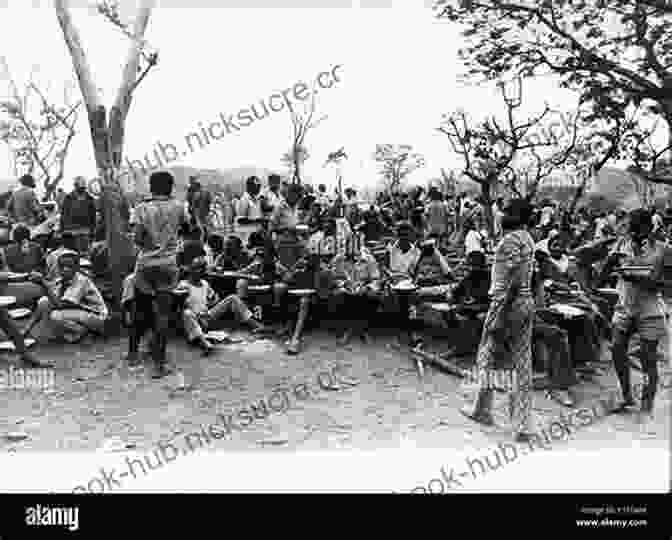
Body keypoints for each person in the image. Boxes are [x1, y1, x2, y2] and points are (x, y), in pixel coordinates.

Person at [460, 198, 538, 442]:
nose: (500, 215)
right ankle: (520, 423)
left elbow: (513, 282)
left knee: (488, 357)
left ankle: (486, 411)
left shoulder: (510, 241)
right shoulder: (527, 238)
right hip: (524, 303)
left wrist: (500, 317)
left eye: (505, 211)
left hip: (507, 304)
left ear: (513, 215)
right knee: (521, 364)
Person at [610, 209, 666, 427]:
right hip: (624, 307)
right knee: (616, 349)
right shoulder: (621, 245)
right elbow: (606, 271)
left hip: (649, 310)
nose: (634, 232)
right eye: (631, 227)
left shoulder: (662, 250)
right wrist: (610, 263)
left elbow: (665, 284)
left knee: (647, 358)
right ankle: (626, 395)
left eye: (638, 227)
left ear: (649, 228)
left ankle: (646, 405)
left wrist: (640, 278)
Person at [130, 171, 189, 377]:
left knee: (139, 309)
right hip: (168, 263)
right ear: (171, 187)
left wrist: (150, 243)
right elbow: (188, 228)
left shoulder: (142, 208)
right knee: (163, 315)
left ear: (151, 187)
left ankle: (132, 353)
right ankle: (159, 364)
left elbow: (137, 238)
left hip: (145, 263)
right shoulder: (179, 207)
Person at [179, 257, 266, 355]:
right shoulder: (184, 285)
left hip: (207, 317)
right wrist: (197, 313)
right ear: (191, 270)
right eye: (196, 268)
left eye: (201, 269)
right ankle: (205, 343)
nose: (199, 271)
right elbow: (181, 306)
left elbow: (214, 299)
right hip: (194, 319)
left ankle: (256, 325)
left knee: (232, 298)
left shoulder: (204, 283)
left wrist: (212, 301)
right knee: (187, 313)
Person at [23, 251, 108, 344]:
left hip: (96, 316)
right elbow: (50, 297)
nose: (65, 269)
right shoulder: (61, 280)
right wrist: (39, 281)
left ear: (77, 268)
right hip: (79, 312)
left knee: (55, 315)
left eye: (69, 267)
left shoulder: (81, 281)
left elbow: (60, 305)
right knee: (44, 301)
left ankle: (84, 332)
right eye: (62, 267)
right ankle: (26, 330)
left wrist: (43, 284)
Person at [59, 176, 97, 254]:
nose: (81, 190)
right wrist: (62, 230)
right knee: (72, 254)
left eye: (82, 188)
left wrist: (93, 230)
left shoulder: (89, 199)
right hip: (70, 232)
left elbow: (93, 216)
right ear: (75, 186)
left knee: (84, 254)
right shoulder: (68, 198)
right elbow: (63, 215)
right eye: (79, 187)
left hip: (84, 232)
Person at [235, 176, 264, 247]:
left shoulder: (256, 199)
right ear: (249, 186)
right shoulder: (244, 200)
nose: (259, 188)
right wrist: (258, 220)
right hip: (246, 238)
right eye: (257, 186)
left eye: (259, 186)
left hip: (255, 236)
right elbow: (240, 220)